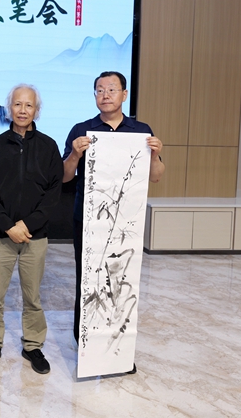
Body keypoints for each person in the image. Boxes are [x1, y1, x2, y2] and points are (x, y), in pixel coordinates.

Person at [62, 71, 164, 342]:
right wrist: (74, 154)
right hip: (89, 220)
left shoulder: (141, 131)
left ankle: (118, 345)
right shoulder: (81, 129)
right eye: (99, 90)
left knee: (123, 280)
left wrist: (155, 155)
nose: (105, 95)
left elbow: (156, 176)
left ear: (124, 94)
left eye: (111, 89)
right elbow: (64, 177)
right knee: (88, 279)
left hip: (127, 222)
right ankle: (84, 342)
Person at [0, 85, 62, 376]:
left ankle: (33, 346)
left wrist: (27, 224)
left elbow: (53, 192)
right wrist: (8, 226)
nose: (22, 110)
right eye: (17, 104)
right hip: (1, 236)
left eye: (28, 105)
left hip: (35, 237)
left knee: (33, 297)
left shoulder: (49, 146)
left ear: (36, 110)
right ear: (9, 108)